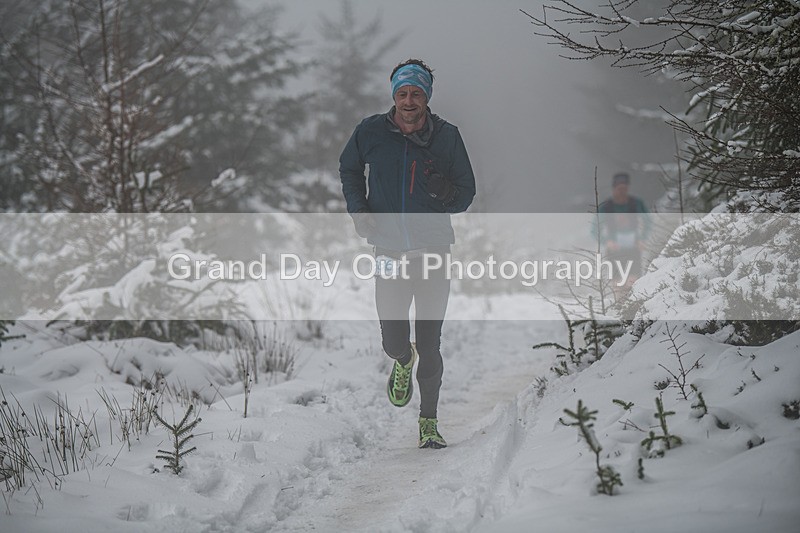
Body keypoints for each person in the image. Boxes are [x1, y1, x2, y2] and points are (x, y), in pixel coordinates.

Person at [339, 59, 476, 449]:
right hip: (387, 251)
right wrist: (359, 209)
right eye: (403, 93)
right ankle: (402, 360)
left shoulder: (447, 137)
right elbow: (348, 168)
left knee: (430, 343)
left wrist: (444, 190)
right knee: (393, 340)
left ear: (427, 97)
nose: (409, 100)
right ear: (394, 96)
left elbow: (466, 194)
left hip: (433, 252)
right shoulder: (370, 132)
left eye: (417, 93)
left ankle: (428, 422)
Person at [597, 172, 651, 288]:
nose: (621, 192)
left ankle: (633, 303)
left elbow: (648, 221)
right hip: (614, 249)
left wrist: (642, 239)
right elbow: (594, 228)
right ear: (614, 188)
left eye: (624, 188)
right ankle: (619, 304)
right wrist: (606, 241)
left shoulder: (636, 203)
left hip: (633, 247)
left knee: (633, 281)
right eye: (619, 188)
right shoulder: (606, 206)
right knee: (617, 283)